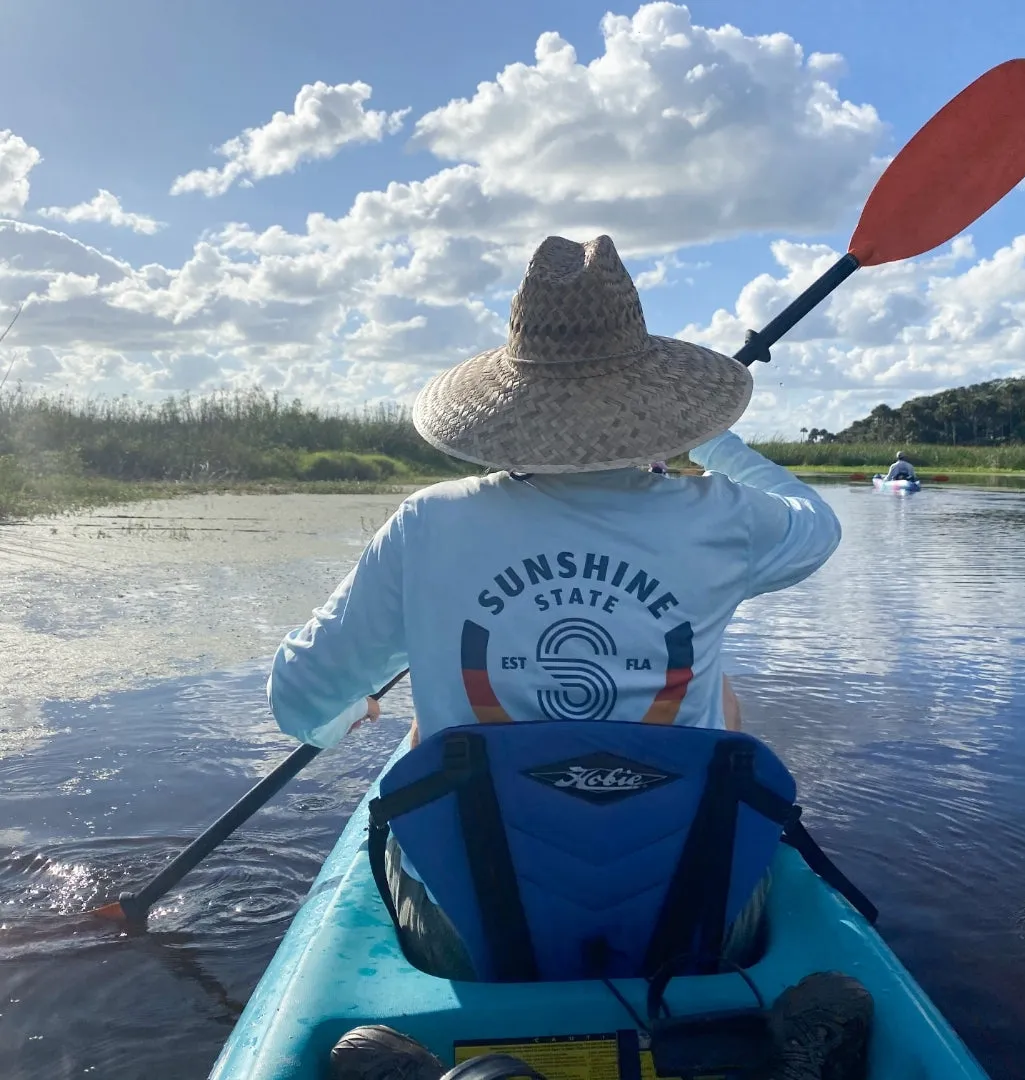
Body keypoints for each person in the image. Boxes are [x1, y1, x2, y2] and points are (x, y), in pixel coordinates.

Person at [270, 235, 871, 1079]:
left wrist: (356, 692)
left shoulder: (429, 524)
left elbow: (299, 704)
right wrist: (718, 447)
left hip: (477, 923)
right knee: (718, 710)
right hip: (690, 917)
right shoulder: (723, 517)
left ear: (505, 412)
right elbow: (819, 522)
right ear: (658, 410)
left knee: (426, 744)